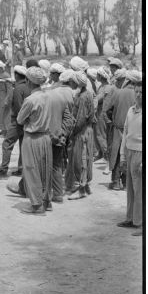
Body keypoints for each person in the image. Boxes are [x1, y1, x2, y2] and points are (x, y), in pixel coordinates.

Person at [16, 67, 53, 214]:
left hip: (32, 137)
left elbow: (20, 119)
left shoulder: (30, 100)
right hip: (45, 137)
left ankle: (36, 205)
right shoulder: (48, 96)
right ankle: (46, 202)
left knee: (31, 170)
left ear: (28, 82)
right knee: (45, 170)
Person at [0, 65, 30, 178]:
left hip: (18, 121)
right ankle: (21, 169)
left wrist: (19, 121)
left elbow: (19, 107)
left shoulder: (18, 89)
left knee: (7, 144)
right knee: (23, 145)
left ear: (17, 76)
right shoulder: (28, 87)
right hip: (27, 121)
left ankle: (3, 170)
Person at [116, 76, 142, 236]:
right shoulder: (131, 110)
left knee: (141, 190)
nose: (138, 95)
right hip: (129, 151)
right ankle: (131, 218)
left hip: (141, 153)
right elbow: (125, 132)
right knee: (131, 189)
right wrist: (123, 156)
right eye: (137, 92)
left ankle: (142, 223)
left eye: (142, 92)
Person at [45, 69, 75, 203]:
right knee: (56, 166)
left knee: (43, 165)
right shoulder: (67, 95)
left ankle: (43, 195)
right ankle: (57, 194)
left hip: (46, 137)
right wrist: (62, 134)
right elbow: (69, 119)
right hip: (60, 136)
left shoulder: (46, 95)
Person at [65, 71, 95, 200]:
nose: (70, 83)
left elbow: (81, 118)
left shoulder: (82, 97)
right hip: (87, 130)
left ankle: (81, 188)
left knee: (81, 160)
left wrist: (72, 132)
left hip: (82, 132)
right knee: (86, 158)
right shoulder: (87, 94)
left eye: (72, 81)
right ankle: (85, 185)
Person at [104, 69, 136, 190]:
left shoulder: (118, 93)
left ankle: (116, 181)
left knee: (117, 155)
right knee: (130, 155)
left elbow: (107, 110)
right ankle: (127, 182)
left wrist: (112, 122)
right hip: (133, 131)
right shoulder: (139, 94)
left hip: (118, 129)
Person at [93, 67, 113, 162]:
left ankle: (107, 157)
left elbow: (98, 99)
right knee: (99, 134)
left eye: (98, 74)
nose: (96, 76)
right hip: (99, 113)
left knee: (102, 135)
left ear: (101, 76)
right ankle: (101, 153)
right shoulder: (101, 86)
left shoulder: (107, 88)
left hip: (102, 114)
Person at [0, 60, 12, 137]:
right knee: (0, 115)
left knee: (5, 115)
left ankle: (6, 132)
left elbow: (9, 90)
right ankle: (2, 130)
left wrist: (7, 99)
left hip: (4, 99)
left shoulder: (6, 76)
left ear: (2, 68)